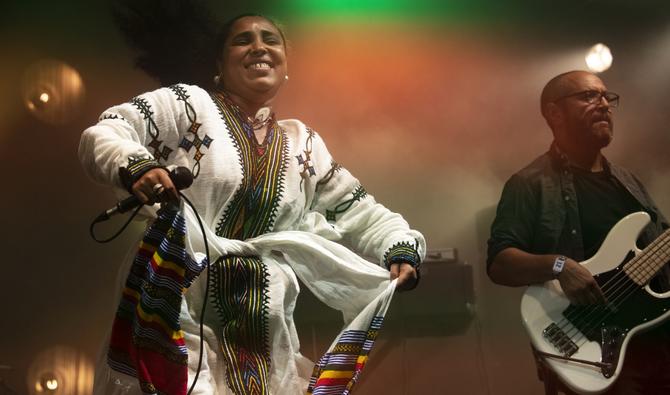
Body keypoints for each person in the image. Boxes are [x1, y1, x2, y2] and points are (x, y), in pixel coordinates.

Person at [79, 14, 425, 395]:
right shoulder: (188, 106)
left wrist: (399, 245)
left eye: (271, 40)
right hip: (179, 296)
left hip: (264, 323)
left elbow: (360, 210)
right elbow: (108, 129)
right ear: (219, 64)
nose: (259, 47)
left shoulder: (303, 143)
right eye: (243, 40)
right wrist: (135, 165)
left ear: (285, 65)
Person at [487, 70, 670, 394]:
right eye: (589, 96)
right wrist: (559, 265)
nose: (604, 105)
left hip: (658, 343)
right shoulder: (529, 183)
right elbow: (500, 262)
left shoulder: (627, 182)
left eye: (607, 97)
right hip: (594, 348)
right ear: (554, 113)